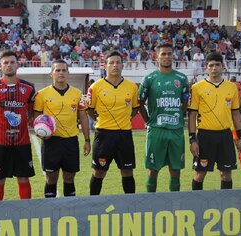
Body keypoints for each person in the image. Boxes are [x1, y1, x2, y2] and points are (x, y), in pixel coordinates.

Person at [34, 59, 91, 198]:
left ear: (68, 73)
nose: (61, 73)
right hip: (51, 142)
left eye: (64, 70)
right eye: (57, 70)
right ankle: (50, 209)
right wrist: (41, 134)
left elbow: (83, 117)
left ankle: (69, 208)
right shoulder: (42, 94)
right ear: (51, 74)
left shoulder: (77, 94)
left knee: (69, 178)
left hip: (70, 141)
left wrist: (87, 140)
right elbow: (36, 118)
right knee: (51, 179)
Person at [188, 52, 241, 190]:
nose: (214, 68)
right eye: (211, 65)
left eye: (217, 65)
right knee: (200, 174)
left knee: (226, 174)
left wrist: (240, 137)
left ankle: (225, 207)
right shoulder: (197, 88)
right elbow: (192, 115)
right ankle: (197, 206)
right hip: (205, 135)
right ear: (206, 68)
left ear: (223, 66)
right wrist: (192, 140)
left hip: (225, 135)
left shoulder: (231, 87)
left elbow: (236, 114)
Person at [0, 50, 35, 201]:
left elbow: (33, 112)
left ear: (17, 65)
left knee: (24, 179)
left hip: (22, 142)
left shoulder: (29, 88)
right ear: (0, 66)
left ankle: (26, 211)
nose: (9, 65)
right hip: (0, 143)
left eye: (12, 62)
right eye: (5, 62)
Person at [138, 43, 189, 192]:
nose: (167, 57)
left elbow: (185, 101)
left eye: (169, 54)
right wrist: (148, 121)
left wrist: (179, 114)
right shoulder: (149, 78)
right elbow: (140, 103)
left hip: (176, 130)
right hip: (156, 130)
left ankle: (175, 204)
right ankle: (151, 204)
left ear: (173, 56)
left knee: (176, 170)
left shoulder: (182, 78)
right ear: (157, 57)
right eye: (163, 54)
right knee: (153, 170)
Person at [87, 51, 139, 195]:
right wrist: (101, 120)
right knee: (99, 172)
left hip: (124, 135)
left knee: (127, 171)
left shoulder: (132, 87)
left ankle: (130, 205)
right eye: (111, 63)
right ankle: (93, 204)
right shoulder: (95, 87)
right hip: (103, 135)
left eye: (118, 62)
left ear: (123, 65)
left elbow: (135, 109)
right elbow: (90, 110)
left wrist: (124, 120)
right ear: (105, 66)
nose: (115, 65)